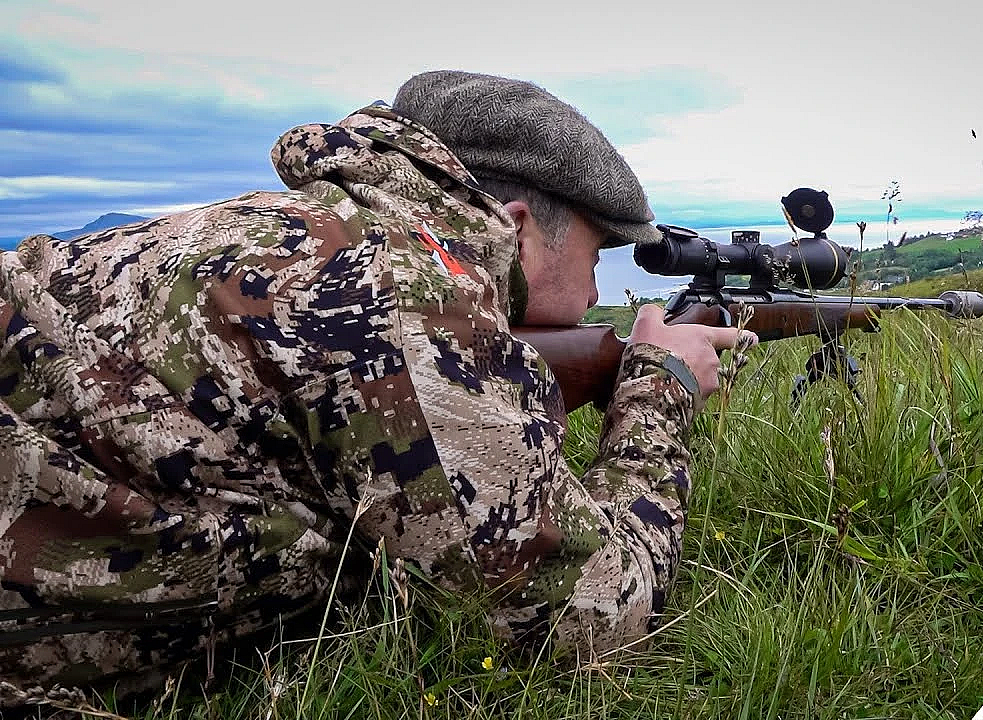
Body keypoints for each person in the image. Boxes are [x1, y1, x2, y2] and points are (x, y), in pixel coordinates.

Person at [0, 70, 754, 709]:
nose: (594, 294)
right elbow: (586, 619)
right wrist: (659, 388)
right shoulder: (409, 294)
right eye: (593, 259)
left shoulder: (304, 228)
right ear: (519, 227)